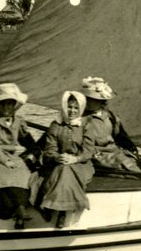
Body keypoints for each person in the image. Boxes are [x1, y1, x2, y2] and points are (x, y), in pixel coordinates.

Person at [0, 83, 39, 228]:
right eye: (3, 104)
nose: (6, 107)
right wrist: (4, 161)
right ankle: (15, 210)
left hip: (11, 156)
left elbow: (26, 139)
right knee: (1, 175)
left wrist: (35, 152)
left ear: (15, 105)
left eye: (10, 103)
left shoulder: (18, 120)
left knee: (23, 173)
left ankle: (20, 210)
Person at [36, 91, 96, 228]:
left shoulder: (86, 125)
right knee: (63, 168)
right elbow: (49, 149)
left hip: (82, 164)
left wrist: (75, 159)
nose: (72, 111)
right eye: (69, 107)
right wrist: (57, 157)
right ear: (64, 106)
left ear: (81, 109)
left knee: (65, 170)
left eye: (76, 108)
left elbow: (89, 151)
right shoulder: (56, 125)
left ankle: (54, 208)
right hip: (59, 163)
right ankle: (62, 211)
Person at [80, 76, 141, 172]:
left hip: (112, 150)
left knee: (132, 159)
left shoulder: (110, 116)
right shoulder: (81, 117)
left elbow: (120, 136)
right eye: (86, 98)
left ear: (101, 101)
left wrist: (132, 151)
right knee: (123, 163)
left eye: (92, 99)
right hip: (95, 153)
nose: (87, 102)